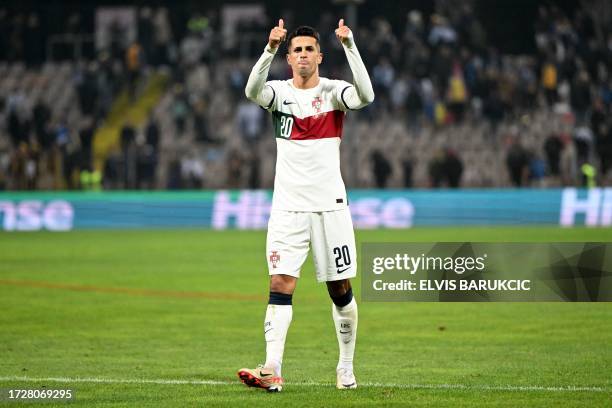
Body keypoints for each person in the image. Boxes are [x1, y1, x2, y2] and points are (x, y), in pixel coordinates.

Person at [237, 18, 374, 392]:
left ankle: (345, 367)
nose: (302, 55)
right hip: (287, 208)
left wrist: (350, 45)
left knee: (339, 290)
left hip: (330, 208)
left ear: (319, 56)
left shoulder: (334, 92)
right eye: (296, 50)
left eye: (308, 49)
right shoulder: (278, 93)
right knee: (280, 283)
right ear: (288, 57)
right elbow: (252, 91)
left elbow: (367, 96)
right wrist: (268, 48)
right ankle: (272, 368)